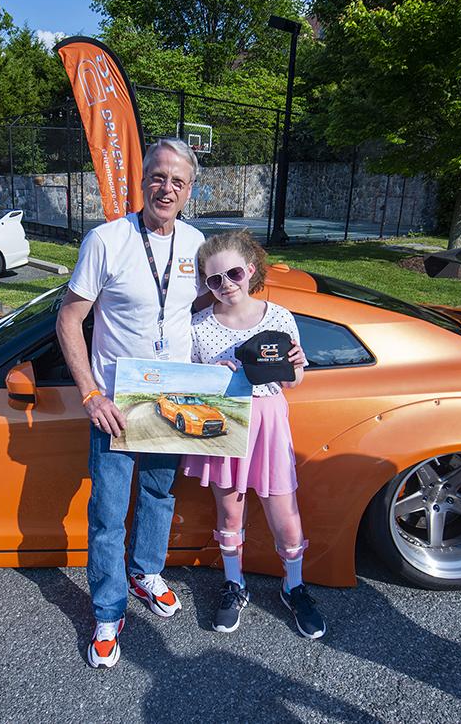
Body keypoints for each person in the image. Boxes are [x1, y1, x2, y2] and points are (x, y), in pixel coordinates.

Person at [56, 138, 209, 669]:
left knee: (159, 493)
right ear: (142, 180)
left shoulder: (196, 242)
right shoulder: (107, 240)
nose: (167, 188)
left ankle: (146, 572)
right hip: (117, 400)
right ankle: (107, 610)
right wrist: (90, 393)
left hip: (173, 392)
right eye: (158, 177)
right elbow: (69, 319)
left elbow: (211, 307)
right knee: (107, 513)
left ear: (190, 191)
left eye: (178, 181)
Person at [181, 230, 325, 639]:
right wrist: (210, 378)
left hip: (269, 421)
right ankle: (234, 583)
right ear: (205, 284)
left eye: (234, 273)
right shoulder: (198, 326)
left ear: (251, 270)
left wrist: (297, 365)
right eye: (214, 279)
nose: (226, 284)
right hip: (225, 420)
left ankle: (293, 586)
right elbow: (188, 385)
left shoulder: (279, 316)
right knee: (229, 512)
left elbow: (292, 380)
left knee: (286, 517)